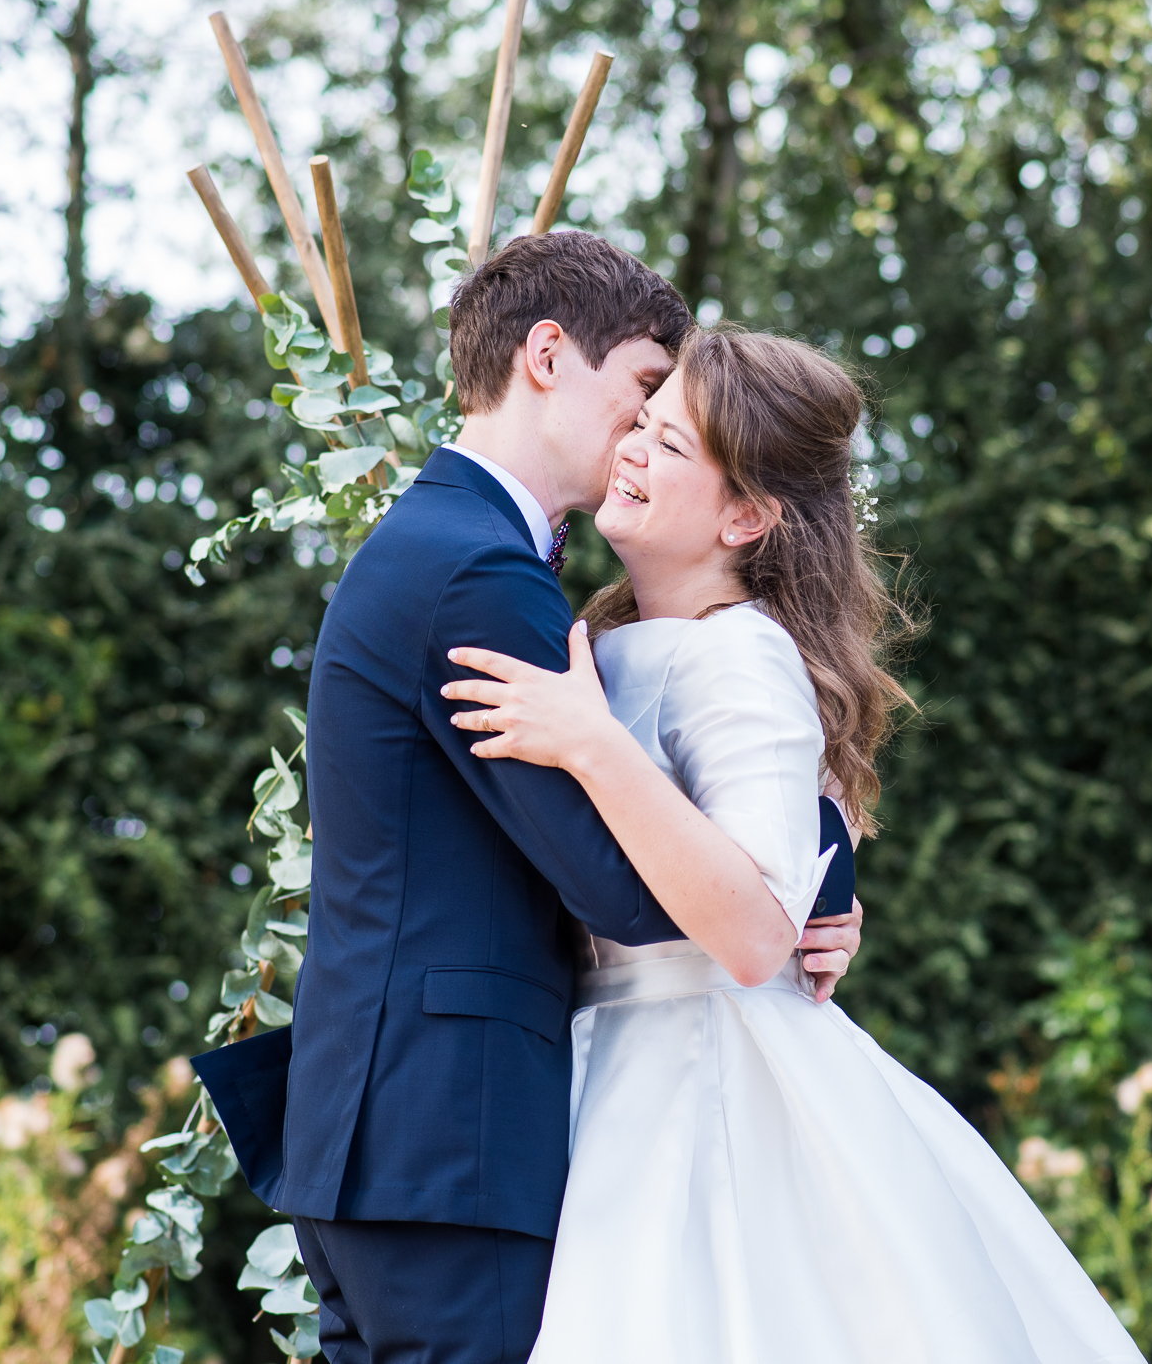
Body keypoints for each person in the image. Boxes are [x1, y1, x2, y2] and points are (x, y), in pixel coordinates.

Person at [195, 233, 864, 1364]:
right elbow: (623, 888)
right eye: (645, 392)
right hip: (448, 1138)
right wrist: (786, 890)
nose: (645, 432)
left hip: (401, 1133)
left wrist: (816, 863)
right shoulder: (479, 571)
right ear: (547, 355)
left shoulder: (471, 553)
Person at [439, 325, 1144, 1362]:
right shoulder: (608, 636)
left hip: (700, 1074)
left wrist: (594, 746)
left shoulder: (742, 654)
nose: (631, 447)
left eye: (670, 445)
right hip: (605, 1055)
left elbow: (756, 934)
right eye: (639, 421)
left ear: (745, 515)